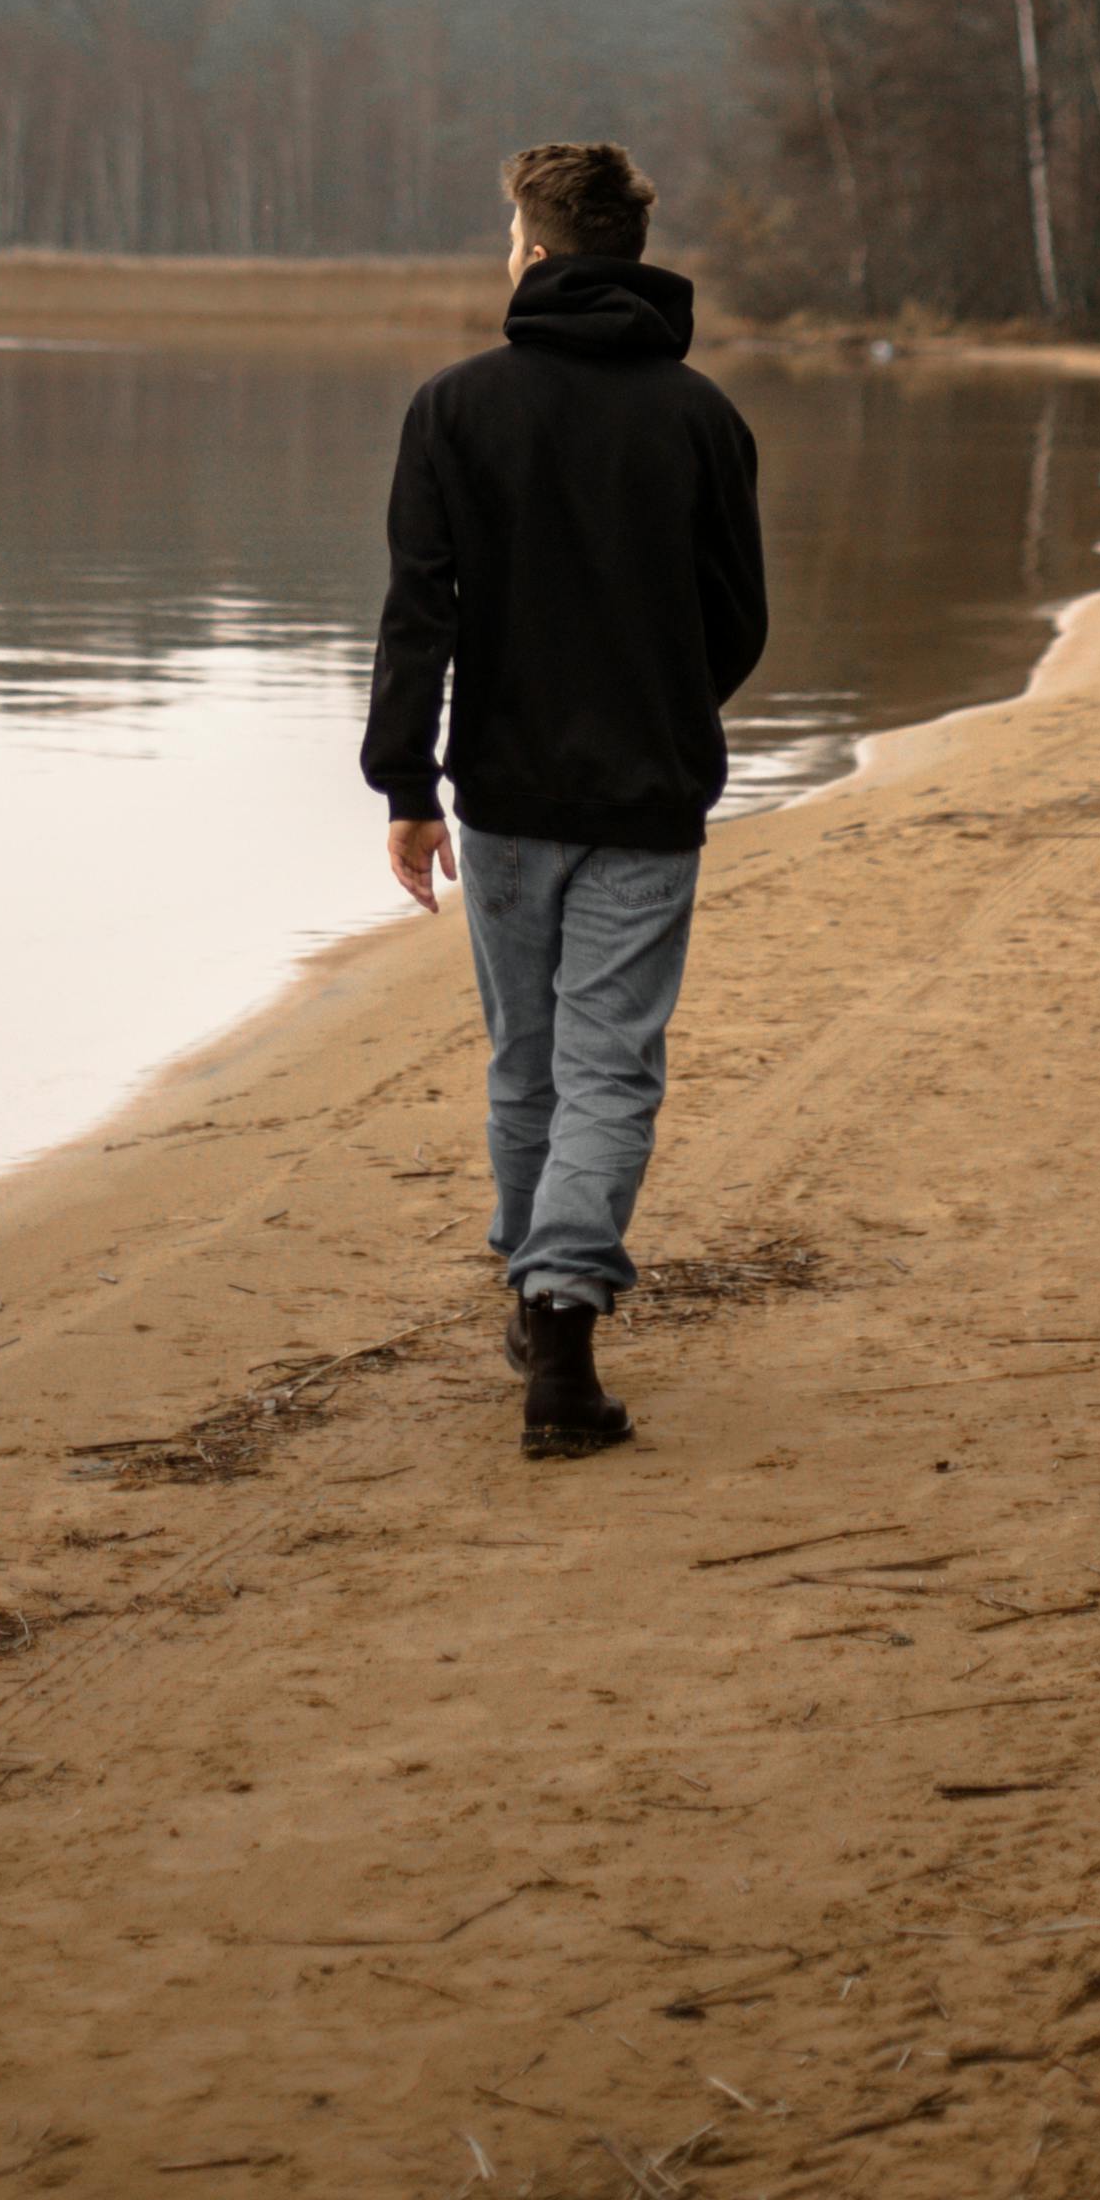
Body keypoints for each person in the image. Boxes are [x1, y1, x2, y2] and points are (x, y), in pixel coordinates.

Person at [361, 138, 767, 1459]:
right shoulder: (700, 417)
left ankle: (542, 1298)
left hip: (506, 791)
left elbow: (418, 617)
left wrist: (405, 786)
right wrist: (661, 704)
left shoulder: (456, 408)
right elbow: (737, 624)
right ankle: (559, 1311)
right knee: (606, 1067)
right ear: (629, 256)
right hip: (645, 794)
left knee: (528, 1059)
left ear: (531, 250)